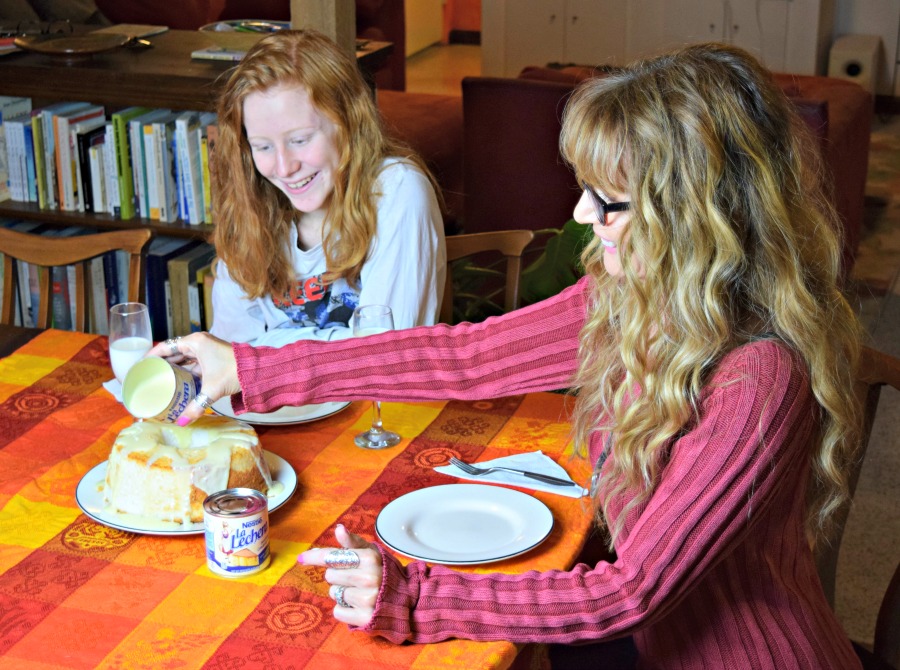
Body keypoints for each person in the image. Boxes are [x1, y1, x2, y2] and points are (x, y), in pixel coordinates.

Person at [149, 43, 865, 668]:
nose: (583, 216)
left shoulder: (760, 377)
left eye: (608, 200)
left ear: (692, 219)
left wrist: (419, 599)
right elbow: (466, 357)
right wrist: (253, 369)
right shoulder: (630, 296)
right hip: (644, 647)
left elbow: (629, 592)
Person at [208, 29, 445, 346]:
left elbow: (385, 353)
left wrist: (265, 351)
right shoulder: (251, 200)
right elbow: (229, 351)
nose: (284, 167)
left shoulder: (398, 191)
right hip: (279, 396)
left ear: (348, 120)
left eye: (300, 140)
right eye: (262, 147)